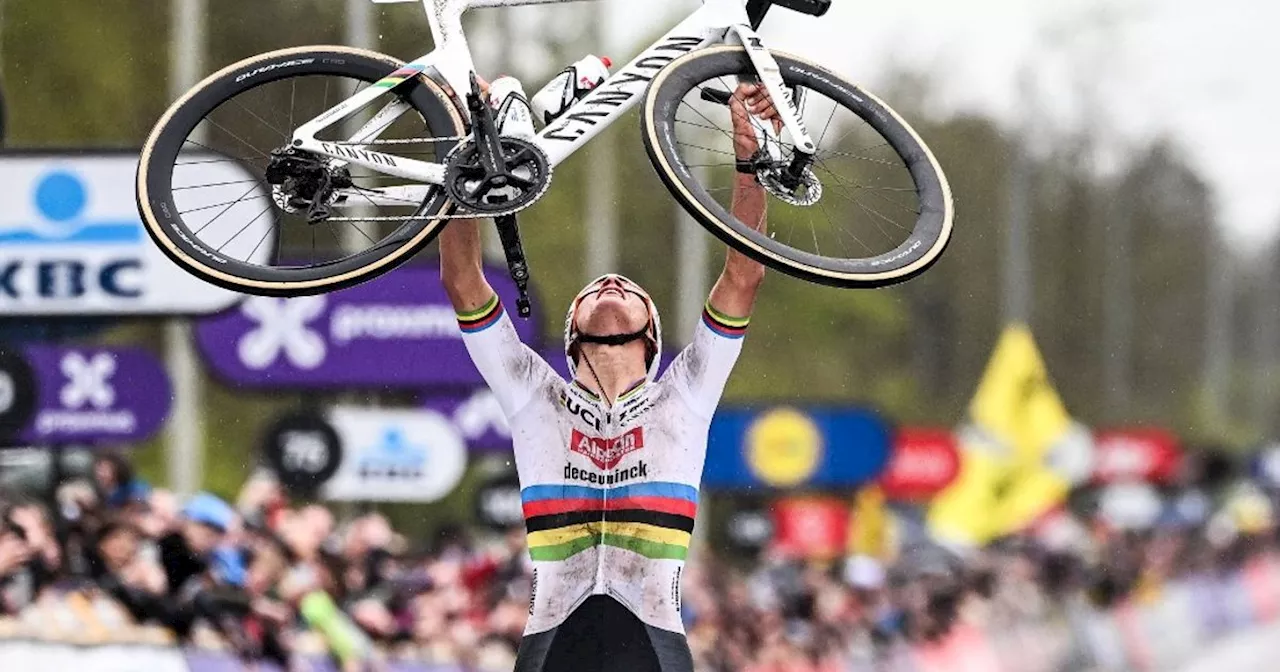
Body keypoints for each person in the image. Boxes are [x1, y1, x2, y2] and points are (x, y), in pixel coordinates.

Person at [441, 81, 779, 672]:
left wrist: (746, 149)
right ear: (572, 335)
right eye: (596, 289)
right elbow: (463, 280)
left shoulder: (687, 391)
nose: (610, 286)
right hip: (554, 640)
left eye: (625, 289)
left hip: (652, 641)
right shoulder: (532, 392)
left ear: (652, 336)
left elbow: (744, 273)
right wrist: (464, 156)